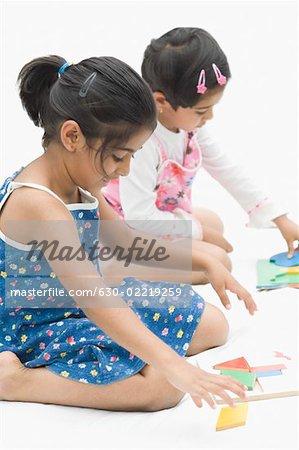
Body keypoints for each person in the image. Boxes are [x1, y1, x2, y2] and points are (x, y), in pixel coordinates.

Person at [0, 55, 256, 413]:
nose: (125, 170)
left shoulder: (78, 181)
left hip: (80, 303)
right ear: (72, 136)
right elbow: (97, 300)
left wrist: (203, 260)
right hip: (38, 323)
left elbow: (126, 243)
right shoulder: (39, 204)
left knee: (214, 326)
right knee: (164, 386)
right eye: (120, 156)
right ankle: (16, 380)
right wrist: (176, 366)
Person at [103, 27, 299, 284]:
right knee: (217, 263)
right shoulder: (142, 142)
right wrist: (196, 230)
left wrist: (279, 217)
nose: (209, 117)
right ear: (161, 101)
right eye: (202, 110)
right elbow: (139, 218)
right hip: (124, 231)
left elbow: (226, 168)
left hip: (154, 218)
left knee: (213, 223)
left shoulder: (189, 127)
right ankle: (117, 267)